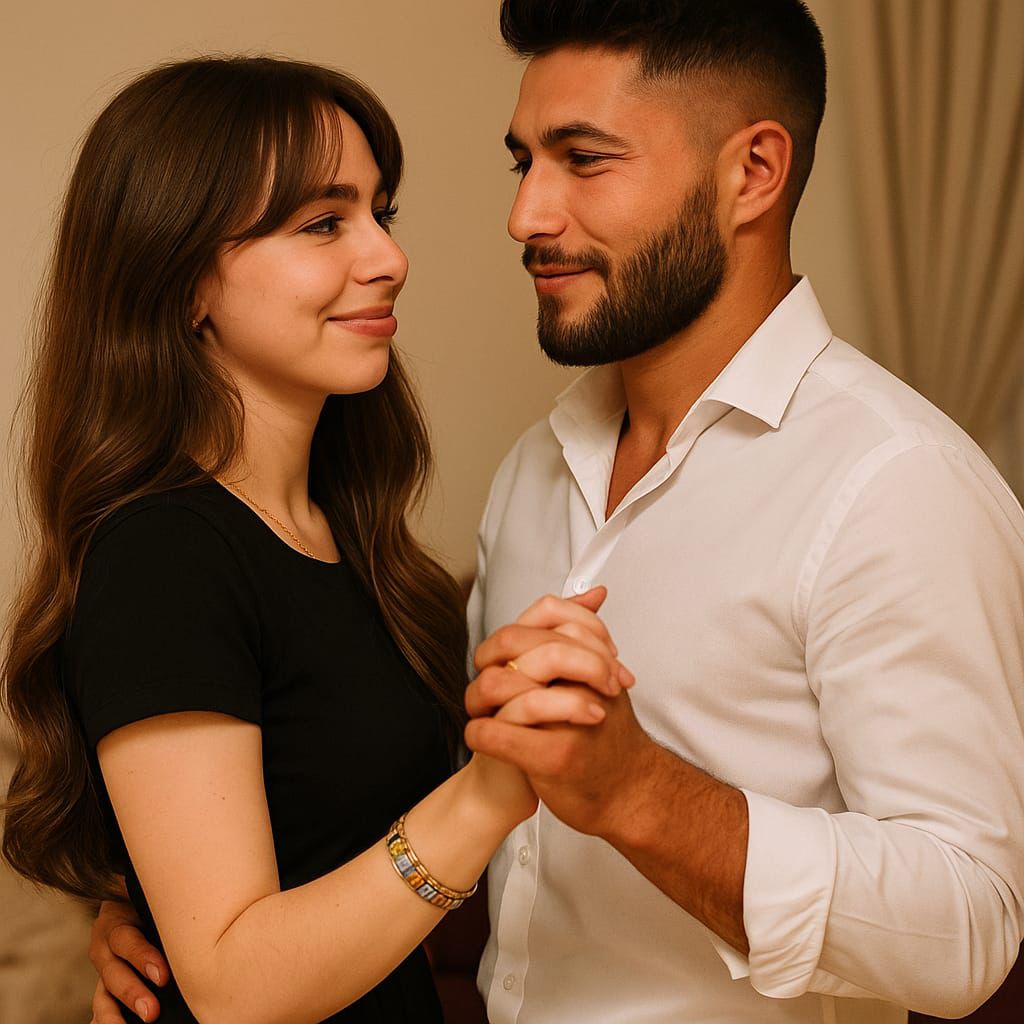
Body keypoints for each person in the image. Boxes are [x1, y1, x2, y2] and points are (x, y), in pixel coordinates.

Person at [87, 1, 1024, 1021]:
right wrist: (175, 903)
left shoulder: (895, 481)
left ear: (753, 172)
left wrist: (643, 794)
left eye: (583, 160)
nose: (526, 215)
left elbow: (970, 929)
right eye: (522, 162)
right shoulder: (536, 469)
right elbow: (366, 787)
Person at [0, 55, 637, 1024]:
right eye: (322, 223)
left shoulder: (355, 541)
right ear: (183, 283)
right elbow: (234, 989)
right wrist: (490, 790)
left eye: (381, 212)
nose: (387, 257)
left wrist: (152, 896)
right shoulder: (163, 557)